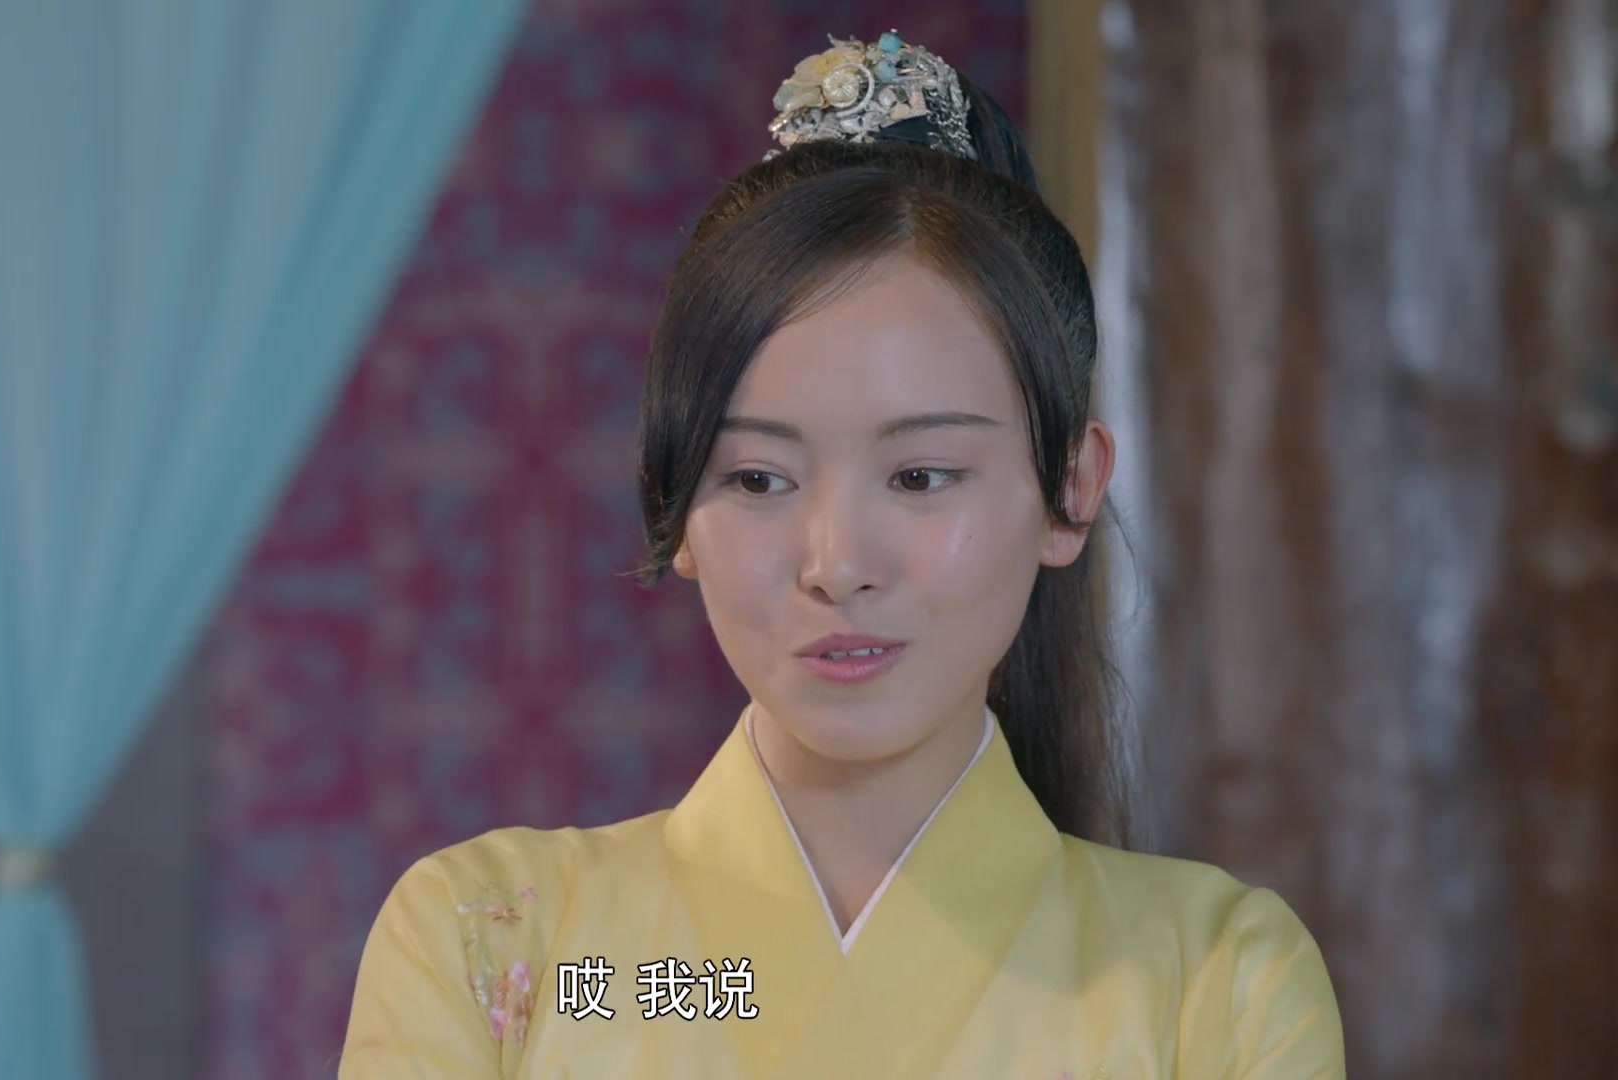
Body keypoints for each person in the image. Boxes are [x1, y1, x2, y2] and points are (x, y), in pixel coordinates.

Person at [338, 31, 1344, 1079]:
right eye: (757, 480)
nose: (836, 563)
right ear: (671, 500)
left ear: (1070, 488)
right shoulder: (493, 948)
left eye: (920, 477)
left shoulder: (1214, 982)